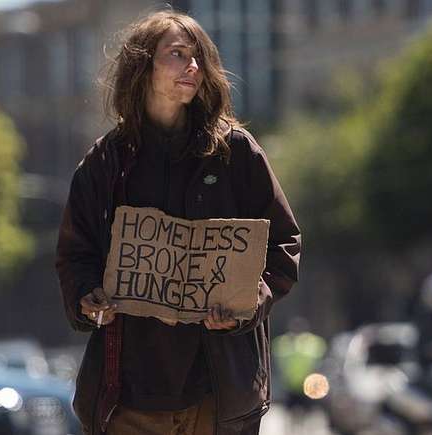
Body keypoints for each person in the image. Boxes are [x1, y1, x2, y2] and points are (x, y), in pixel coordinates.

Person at [55, 10, 301, 435]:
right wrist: (87, 298)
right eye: (178, 54)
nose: (193, 66)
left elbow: (284, 244)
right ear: (143, 65)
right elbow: (75, 257)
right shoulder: (104, 162)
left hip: (218, 394)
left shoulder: (235, 152)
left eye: (199, 58)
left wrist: (248, 303)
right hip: (128, 398)